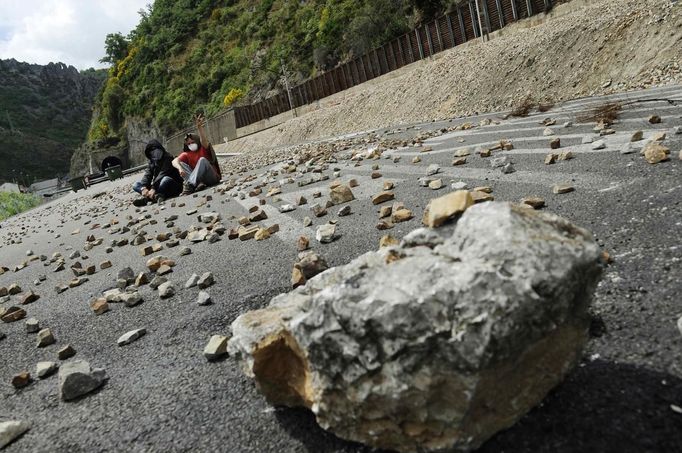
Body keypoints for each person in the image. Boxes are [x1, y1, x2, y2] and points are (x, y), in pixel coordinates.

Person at [172, 114, 222, 195]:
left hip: (212, 177)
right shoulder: (187, 154)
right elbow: (174, 161)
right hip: (199, 180)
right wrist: (180, 168)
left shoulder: (203, 147)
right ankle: (196, 184)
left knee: (202, 160)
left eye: (192, 142)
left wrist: (200, 128)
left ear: (197, 141)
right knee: (180, 164)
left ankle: (190, 184)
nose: (190, 144)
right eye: (188, 144)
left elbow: (204, 140)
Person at [132, 140, 183, 206]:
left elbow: (162, 174)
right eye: (151, 152)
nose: (153, 153)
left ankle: (148, 199)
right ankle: (157, 196)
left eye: (154, 150)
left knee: (165, 179)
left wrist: (153, 188)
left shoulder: (168, 158)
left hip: (172, 185)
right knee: (136, 184)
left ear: (159, 148)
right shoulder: (152, 161)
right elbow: (148, 175)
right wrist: (143, 188)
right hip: (157, 185)